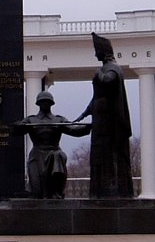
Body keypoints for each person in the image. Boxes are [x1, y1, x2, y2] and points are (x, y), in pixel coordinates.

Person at [74, 33, 134, 198]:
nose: (95, 55)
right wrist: (84, 114)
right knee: (98, 154)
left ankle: (113, 190)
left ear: (104, 52)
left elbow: (109, 80)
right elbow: (96, 98)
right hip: (100, 120)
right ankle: (99, 190)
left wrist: (99, 76)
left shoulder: (113, 68)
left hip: (110, 123)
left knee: (109, 154)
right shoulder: (105, 68)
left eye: (97, 51)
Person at [11, 90, 90, 199]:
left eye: (47, 102)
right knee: (37, 193)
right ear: (38, 104)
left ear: (51, 104)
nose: (45, 104)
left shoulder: (58, 120)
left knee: (58, 156)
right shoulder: (31, 120)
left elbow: (74, 130)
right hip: (37, 155)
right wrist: (18, 126)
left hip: (53, 152)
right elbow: (16, 131)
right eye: (42, 102)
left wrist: (88, 127)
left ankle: (55, 192)